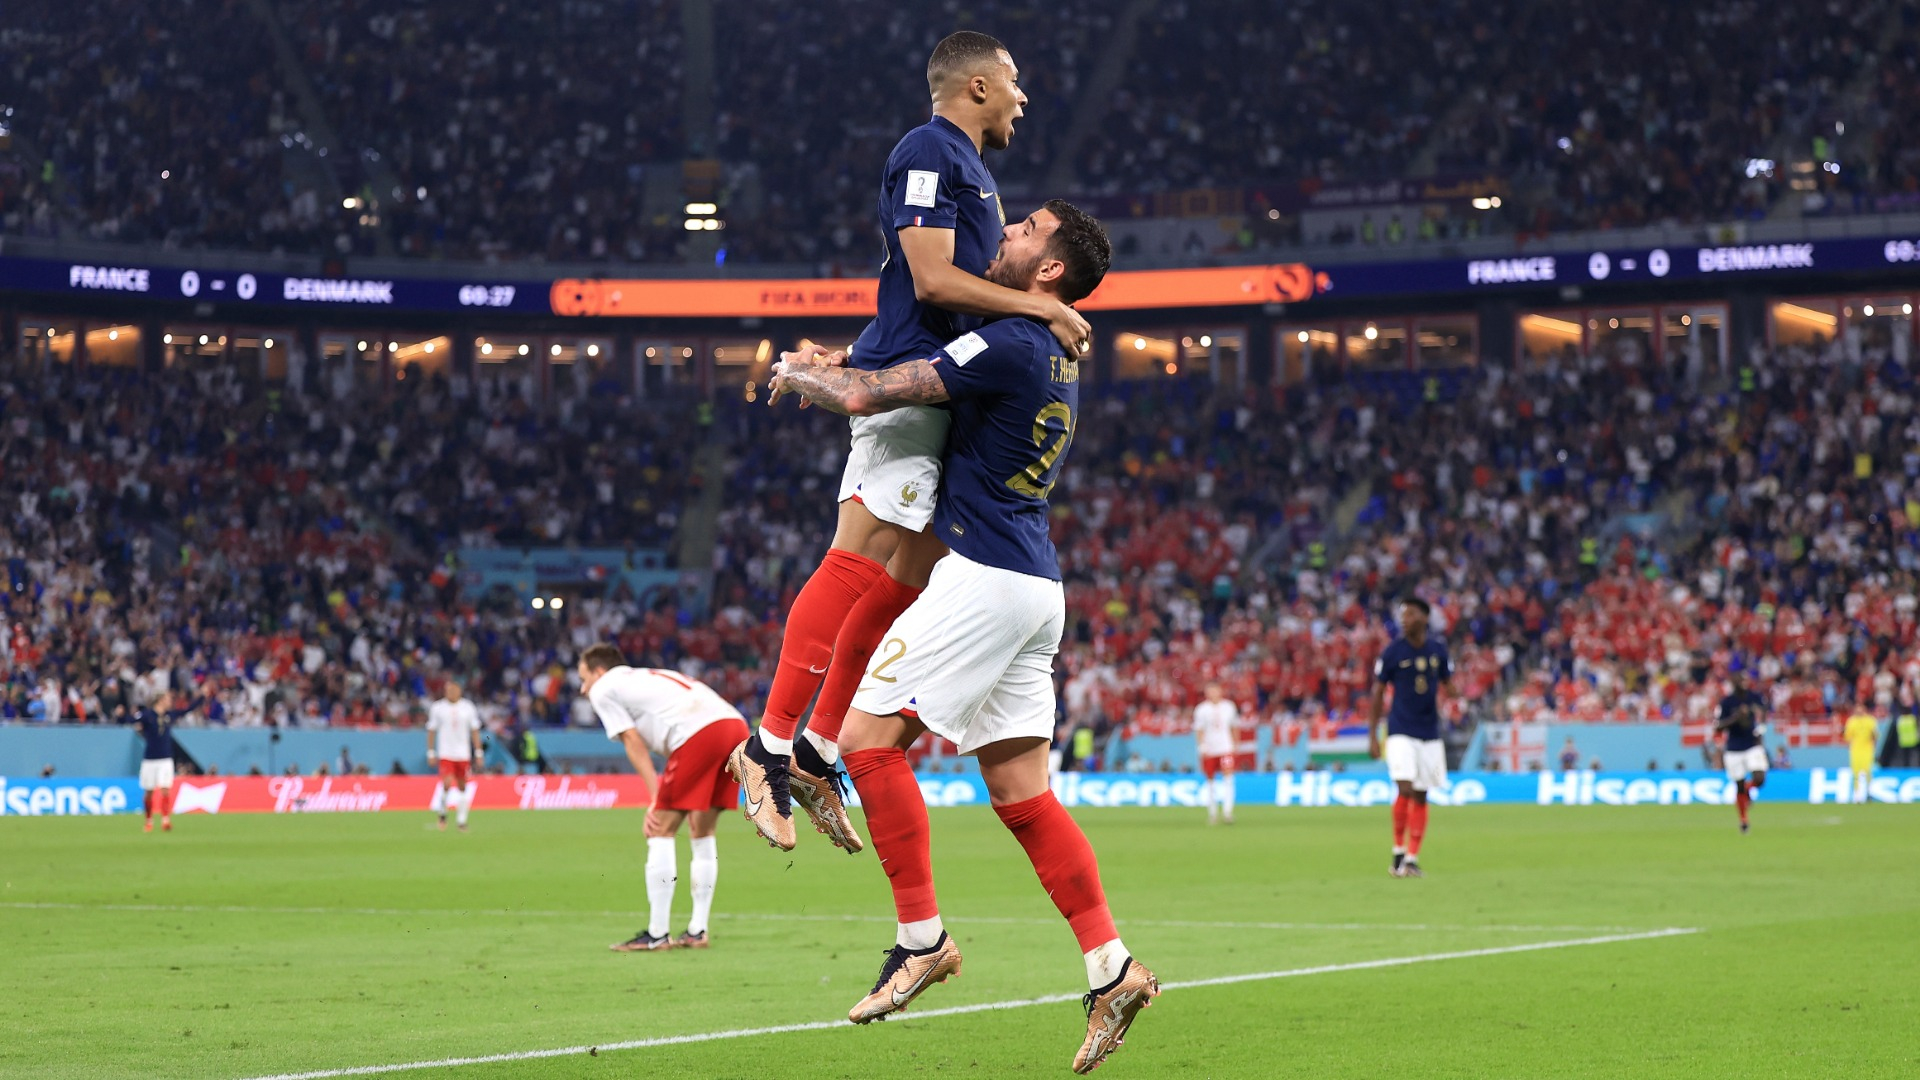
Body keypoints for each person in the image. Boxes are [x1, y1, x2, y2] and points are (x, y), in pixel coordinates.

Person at [770, 201, 1153, 1074]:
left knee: (867, 744)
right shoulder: (1044, 340)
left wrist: (806, 374)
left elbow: (876, 394)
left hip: (983, 578)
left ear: (1051, 270)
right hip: (1035, 585)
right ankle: (1111, 965)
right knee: (1024, 798)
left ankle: (922, 940)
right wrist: (853, 357)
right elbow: (909, 353)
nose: (1007, 233)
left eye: (1024, 232)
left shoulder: (1017, 342)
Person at [730, 30, 1092, 854]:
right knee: (856, 561)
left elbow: (920, 305)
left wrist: (855, 350)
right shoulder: (929, 150)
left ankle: (820, 749)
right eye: (1013, 80)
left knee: (912, 574)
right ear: (973, 87)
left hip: (935, 387)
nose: (1022, 97)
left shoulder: (978, 176)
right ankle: (769, 746)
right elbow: (928, 279)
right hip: (909, 398)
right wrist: (1039, 307)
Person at [578, 643, 750, 952]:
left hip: (701, 732)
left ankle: (657, 934)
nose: (582, 688)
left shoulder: (604, 688)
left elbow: (632, 741)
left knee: (660, 828)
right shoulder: (647, 677)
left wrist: (655, 799)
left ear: (599, 671)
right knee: (702, 830)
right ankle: (697, 930)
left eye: (584, 678)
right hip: (735, 726)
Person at [1367, 597, 1453, 878]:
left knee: (1421, 792)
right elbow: (1378, 693)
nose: (1405, 619)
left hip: (1429, 732)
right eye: (1402, 614)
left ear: (1424, 618)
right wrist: (1372, 734)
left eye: (1411, 614)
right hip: (1400, 729)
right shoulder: (1393, 652)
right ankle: (1397, 852)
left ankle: (1412, 858)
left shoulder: (1437, 651)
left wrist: (1456, 699)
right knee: (1404, 788)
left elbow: (1448, 683)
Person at [426, 680, 483, 832]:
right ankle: (443, 813)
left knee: (462, 786)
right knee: (447, 782)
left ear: (460, 691)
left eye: (454, 689)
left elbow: (475, 730)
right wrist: (431, 752)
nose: (451, 692)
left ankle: (461, 821)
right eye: (448, 690)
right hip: (446, 752)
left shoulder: (468, 707)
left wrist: (478, 752)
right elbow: (431, 730)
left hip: (463, 754)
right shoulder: (438, 708)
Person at [1716, 672, 1768, 833]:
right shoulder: (1726, 702)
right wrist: (1735, 718)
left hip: (1752, 744)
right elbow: (1718, 726)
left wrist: (1761, 729)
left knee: (1759, 778)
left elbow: (1764, 711)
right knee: (1738, 785)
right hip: (1733, 748)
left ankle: (1748, 788)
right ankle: (1743, 820)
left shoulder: (1754, 697)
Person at [131, 692, 177, 833]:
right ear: (161, 700)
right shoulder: (148, 715)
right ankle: (149, 820)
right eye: (168, 699)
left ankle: (165, 820)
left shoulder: (169, 716)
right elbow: (133, 720)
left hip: (165, 758)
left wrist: (202, 696)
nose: (170, 702)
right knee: (149, 792)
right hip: (150, 759)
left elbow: (186, 710)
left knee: (165, 788)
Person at [1192, 683, 1238, 824]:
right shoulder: (1201, 709)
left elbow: (1234, 726)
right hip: (1210, 750)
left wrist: (1236, 744)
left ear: (1220, 691)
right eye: (1209, 691)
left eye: (1215, 690)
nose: (1212, 693)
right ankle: (1212, 813)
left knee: (1228, 778)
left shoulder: (1229, 707)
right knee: (1210, 781)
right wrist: (1202, 747)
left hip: (1225, 748)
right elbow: (1199, 730)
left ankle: (1227, 812)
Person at [1843, 705, 1879, 804]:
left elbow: (1874, 735)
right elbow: (1847, 736)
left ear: (1865, 710)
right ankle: (1857, 795)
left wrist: (1874, 746)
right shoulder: (1852, 721)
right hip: (1855, 750)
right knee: (1856, 773)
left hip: (1867, 750)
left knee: (1868, 772)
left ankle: (1869, 793)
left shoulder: (1870, 720)